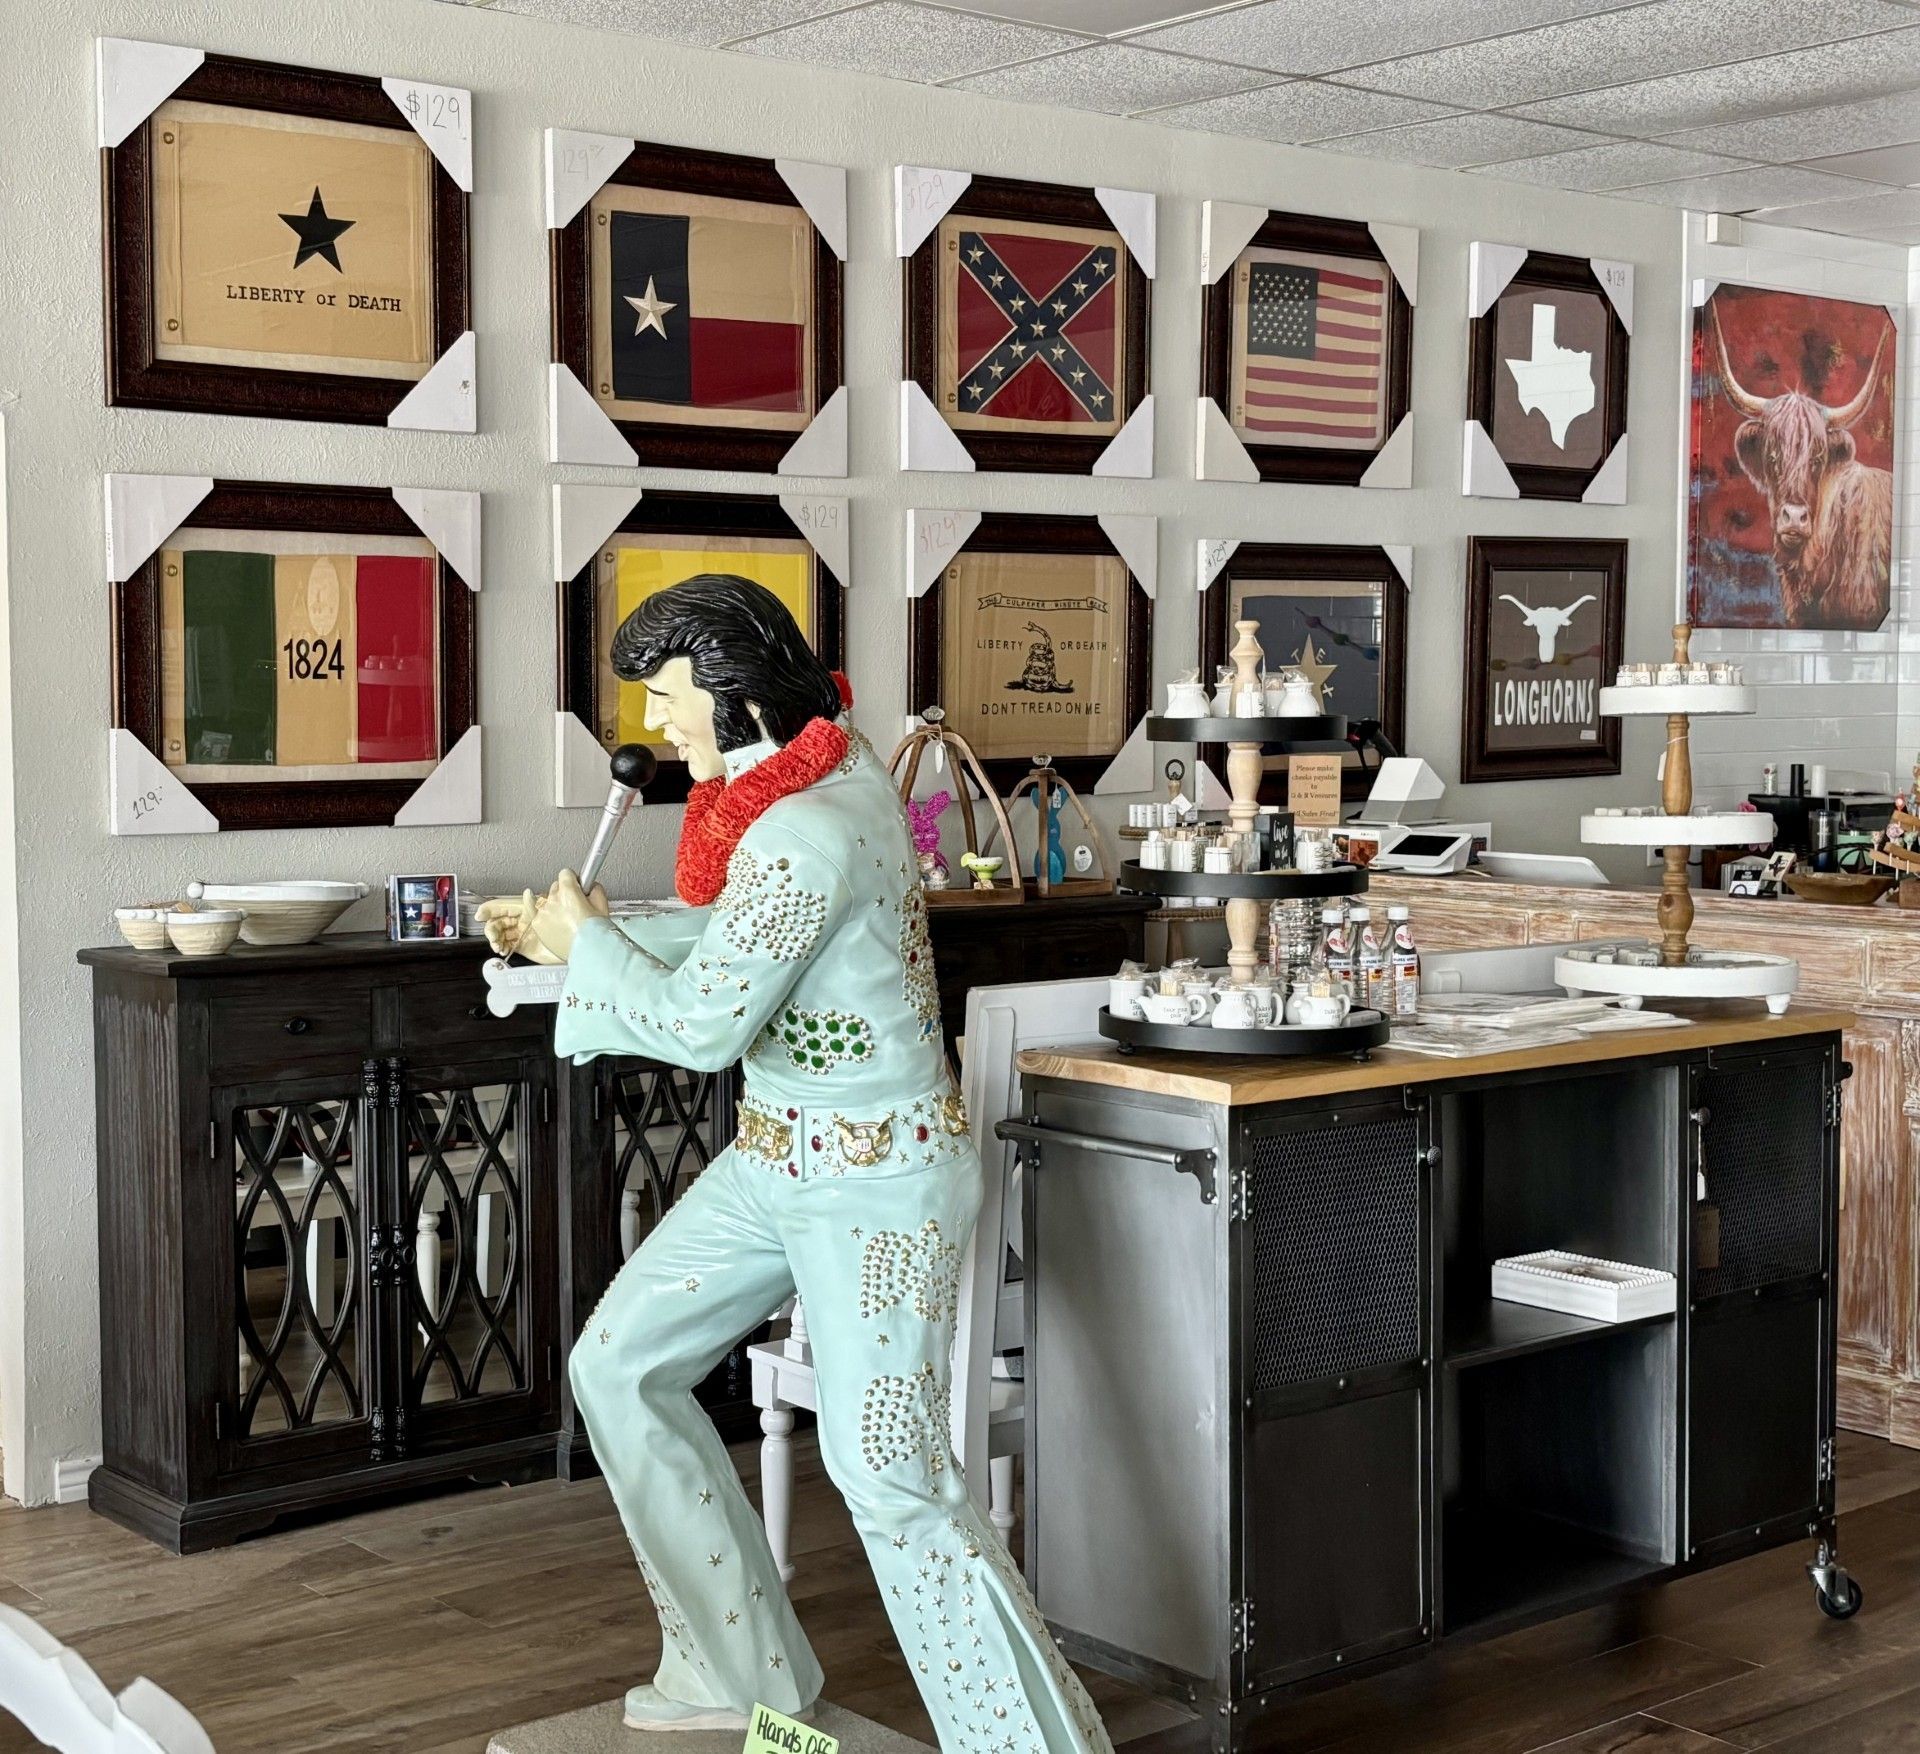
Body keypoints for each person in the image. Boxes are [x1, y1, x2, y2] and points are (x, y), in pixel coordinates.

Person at [480, 575, 1111, 1749]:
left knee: (893, 1479)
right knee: (618, 1366)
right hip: (780, 1157)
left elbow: (706, 1023)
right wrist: (585, 936)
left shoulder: (810, 830)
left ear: (734, 700)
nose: (658, 727)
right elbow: (748, 950)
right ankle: (736, 1672)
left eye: (671, 700)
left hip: (875, 1185)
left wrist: (591, 945)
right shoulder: (826, 765)